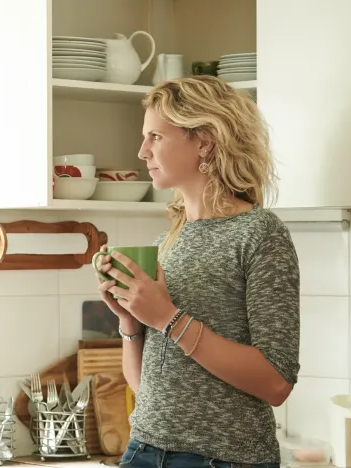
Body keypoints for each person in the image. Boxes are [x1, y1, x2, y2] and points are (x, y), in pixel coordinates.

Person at [95, 76, 300, 468]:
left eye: (155, 136)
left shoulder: (260, 234)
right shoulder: (168, 241)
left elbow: (276, 382)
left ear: (203, 141)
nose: (142, 151)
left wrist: (167, 319)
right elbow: (146, 388)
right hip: (143, 450)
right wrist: (131, 322)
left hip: (222, 459)